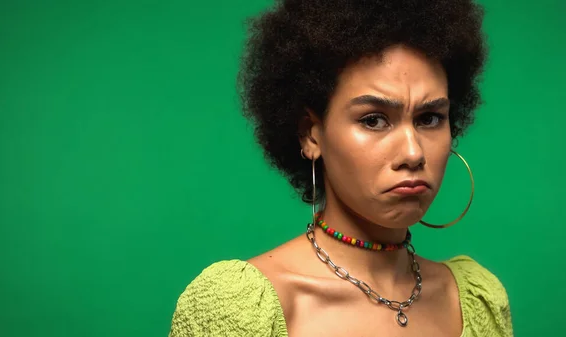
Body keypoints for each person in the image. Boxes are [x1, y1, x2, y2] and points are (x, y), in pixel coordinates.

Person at [169, 0, 513, 336]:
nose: (413, 152)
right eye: (374, 119)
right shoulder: (241, 310)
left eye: (429, 118)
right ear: (311, 134)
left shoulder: (475, 301)